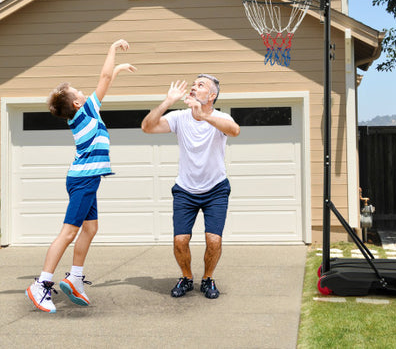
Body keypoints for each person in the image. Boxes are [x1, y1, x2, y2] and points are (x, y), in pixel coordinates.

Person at [25, 39, 136, 313]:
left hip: (88, 178)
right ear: (77, 103)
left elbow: (108, 77)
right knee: (68, 233)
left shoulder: (85, 113)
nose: (86, 92)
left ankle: (74, 278)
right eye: (80, 92)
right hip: (83, 180)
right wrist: (112, 50)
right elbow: (105, 77)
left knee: (90, 228)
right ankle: (41, 284)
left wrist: (119, 68)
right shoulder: (86, 111)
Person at [141, 74, 240, 299]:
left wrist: (204, 116)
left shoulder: (220, 117)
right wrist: (167, 102)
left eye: (201, 85)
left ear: (212, 95)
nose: (194, 87)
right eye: (194, 84)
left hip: (216, 189)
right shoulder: (180, 117)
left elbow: (234, 131)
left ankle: (208, 279)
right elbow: (147, 127)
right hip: (185, 190)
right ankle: (186, 277)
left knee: (213, 240)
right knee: (180, 240)